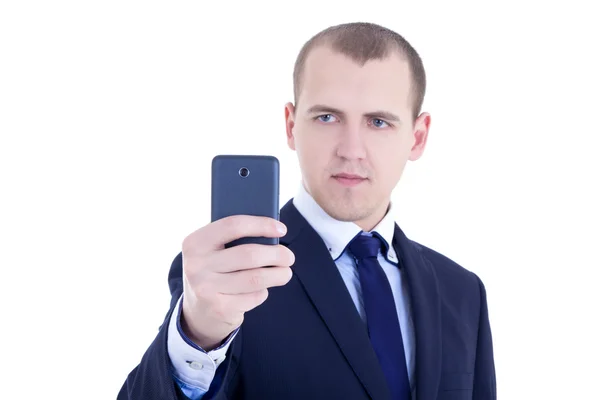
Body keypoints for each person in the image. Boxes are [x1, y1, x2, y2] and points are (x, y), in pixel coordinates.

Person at [118, 21, 496, 400]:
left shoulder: (462, 292)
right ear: (291, 125)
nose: (351, 149)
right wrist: (196, 337)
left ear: (417, 137)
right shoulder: (229, 274)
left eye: (378, 122)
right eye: (327, 117)